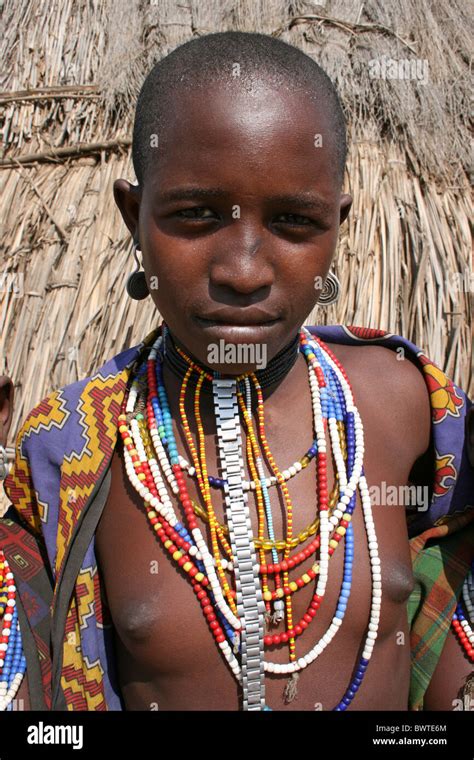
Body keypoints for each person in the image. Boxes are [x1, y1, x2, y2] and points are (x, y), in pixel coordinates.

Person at [1, 32, 473, 712]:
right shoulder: (78, 449)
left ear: (337, 226)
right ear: (135, 217)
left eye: (293, 221)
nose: (244, 271)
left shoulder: (407, 405)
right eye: (194, 216)